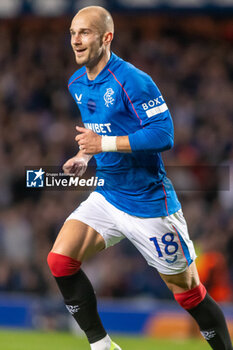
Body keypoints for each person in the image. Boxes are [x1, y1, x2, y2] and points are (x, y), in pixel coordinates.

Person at [47, 6, 233, 350]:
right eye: (72, 33)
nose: (76, 40)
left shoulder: (132, 80)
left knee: (189, 294)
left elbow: (164, 134)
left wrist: (103, 143)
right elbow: (96, 129)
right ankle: (102, 345)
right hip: (108, 194)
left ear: (106, 38)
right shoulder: (76, 83)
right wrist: (84, 155)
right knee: (60, 259)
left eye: (85, 32)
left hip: (149, 204)